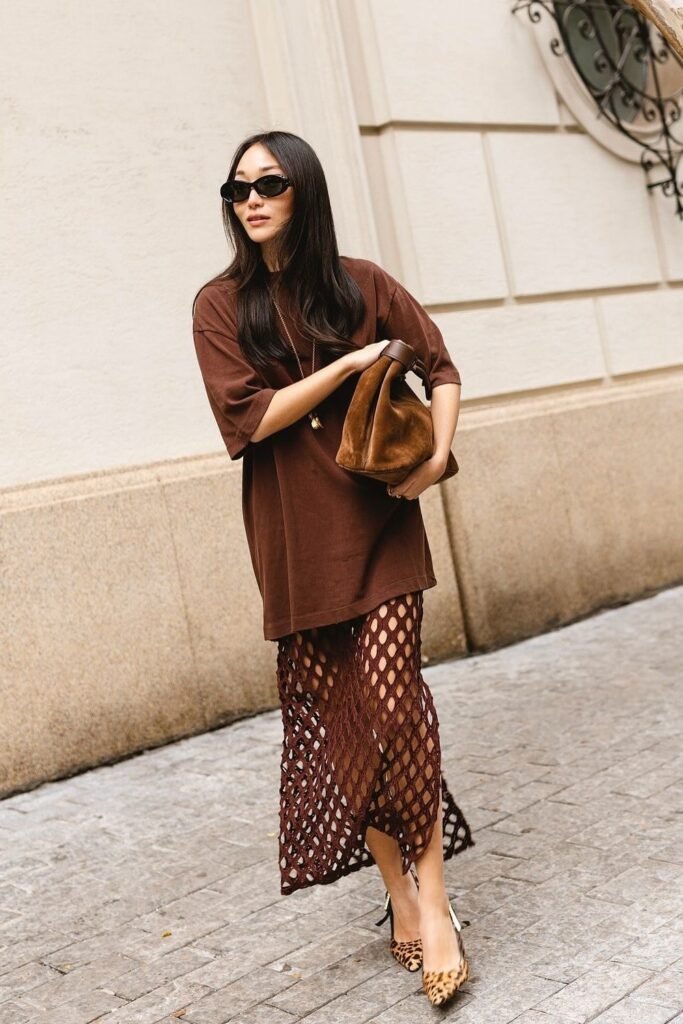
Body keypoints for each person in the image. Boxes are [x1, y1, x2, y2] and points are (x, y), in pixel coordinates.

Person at [191, 129, 475, 1008]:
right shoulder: (217, 305)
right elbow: (250, 419)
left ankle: (434, 904)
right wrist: (351, 364)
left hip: (379, 533)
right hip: (292, 545)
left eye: (269, 183)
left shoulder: (363, 284)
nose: (252, 200)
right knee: (348, 729)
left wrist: (432, 461)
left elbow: (441, 368)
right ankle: (395, 892)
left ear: (302, 191)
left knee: (392, 705)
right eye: (237, 189)